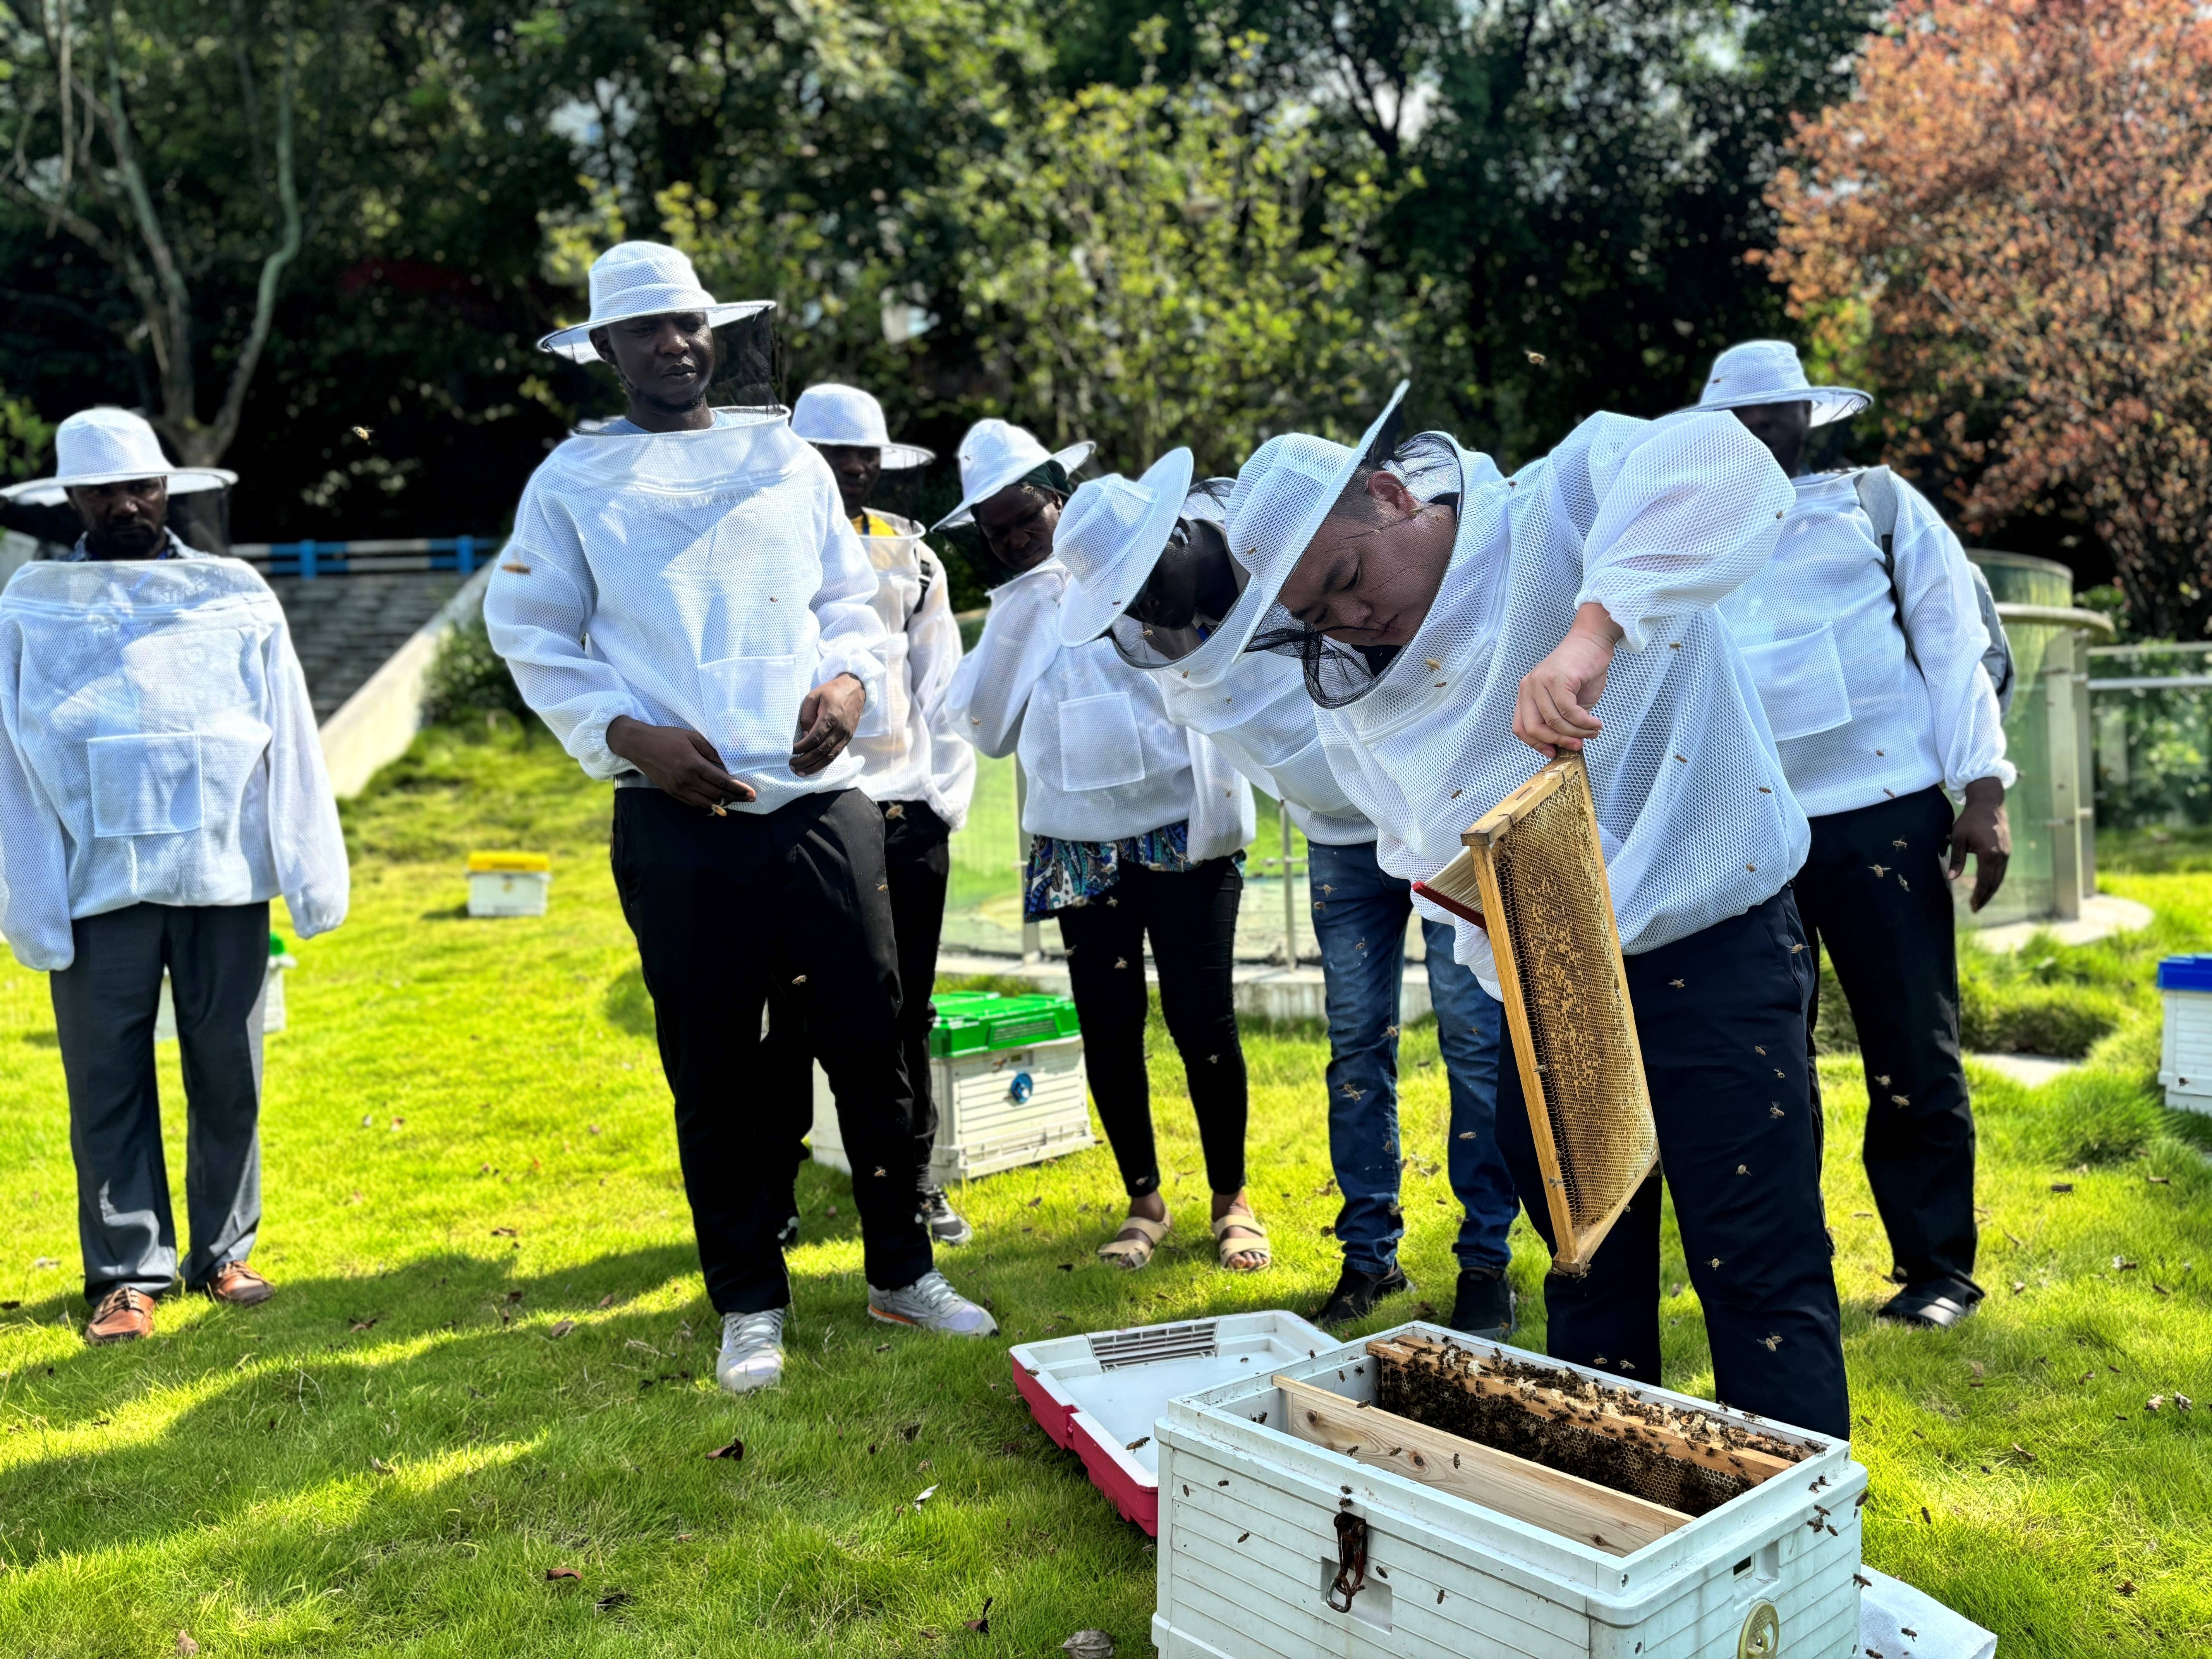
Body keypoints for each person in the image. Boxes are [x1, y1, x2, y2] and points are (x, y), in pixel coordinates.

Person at [1219, 384, 1852, 1439]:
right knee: (1588, 1281)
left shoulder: (1564, 497)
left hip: (1718, 952)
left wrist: (1591, 632)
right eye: (1320, 617)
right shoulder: (1365, 703)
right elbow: (1413, 839)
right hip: (1547, 992)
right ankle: (1617, 1549)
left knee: (1760, 1270)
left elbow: (1727, 464)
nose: (1354, 618)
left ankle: (1803, 1564)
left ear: (1388, 494)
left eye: (1347, 579)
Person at [485, 242, 994, 1398]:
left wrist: (852, 686)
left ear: (716, 334)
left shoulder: (786, 459)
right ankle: (750, 1302)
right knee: (715, 1066)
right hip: (675, 820)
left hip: (820, 802)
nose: (674, 344)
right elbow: (533, 635)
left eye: (689, 324)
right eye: (647, 329)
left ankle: (902, 1268)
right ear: (606, 350)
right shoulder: (571, 483)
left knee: (874, 1041)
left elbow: (844, 605)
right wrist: (632, 736)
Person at [1051, 446, 1520, 1335]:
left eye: (1150, 583)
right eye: (1129, 607)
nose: (1151, 612)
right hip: (1343, 848)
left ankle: (1485, 1260)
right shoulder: (1182, 637)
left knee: (1474, 1040)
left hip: (1437, 818)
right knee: (1356, 1047)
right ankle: (1368, 1256)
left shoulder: (1291, 541)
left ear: (1186, 530)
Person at [0, 407, 349, 1345]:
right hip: (94, 881)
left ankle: (224, 1252)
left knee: (229, 1070)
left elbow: (291, 733)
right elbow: (11, 761)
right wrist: (28, 899)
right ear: (69, 499)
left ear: (169, 489)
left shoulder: (231, 592)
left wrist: (311, 869)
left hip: (224, 873)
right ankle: (125, 1274)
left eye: (142, 486)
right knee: (105, 1079)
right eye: (104, 490)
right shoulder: (32, 602)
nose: (126, 504)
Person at [1698, 340, 2013, 1330]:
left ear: (1808, 417)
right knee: (1761, 1060)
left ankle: (1938, 1273)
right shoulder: (1687, 532)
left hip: (1887, 812)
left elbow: (1954, 641)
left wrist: (1984, 791)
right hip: (1751, 827)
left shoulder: (1874, 502)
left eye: (1775, 413)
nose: (1759, 431)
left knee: (1908, 1045)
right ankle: (1789, 1267)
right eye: (1739, 418)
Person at [939, 420, 1270, 1274]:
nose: (1016, 540)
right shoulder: (1018, 606)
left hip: (1181, 831)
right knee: (1109, 1025)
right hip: (1077, 843)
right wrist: (1022, 615)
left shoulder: (1134, 561)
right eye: (997, 532)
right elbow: (987, 726)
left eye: (1026, 519)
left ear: (1060, 498)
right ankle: (1144, 1200)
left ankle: (1232, 1198)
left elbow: (1206, 665)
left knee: (1204, 1019)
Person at [783, 382, 977, 1245]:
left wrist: (940, 803)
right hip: (812, 812)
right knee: (791, 1006)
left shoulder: (914, 557)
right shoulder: (769, 543)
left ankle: (917, 1179)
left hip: (905, 813)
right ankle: (776, 1188)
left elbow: (945, 687)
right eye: (837, 454)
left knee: (908, 1009)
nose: (855, 470)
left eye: (866, 455)